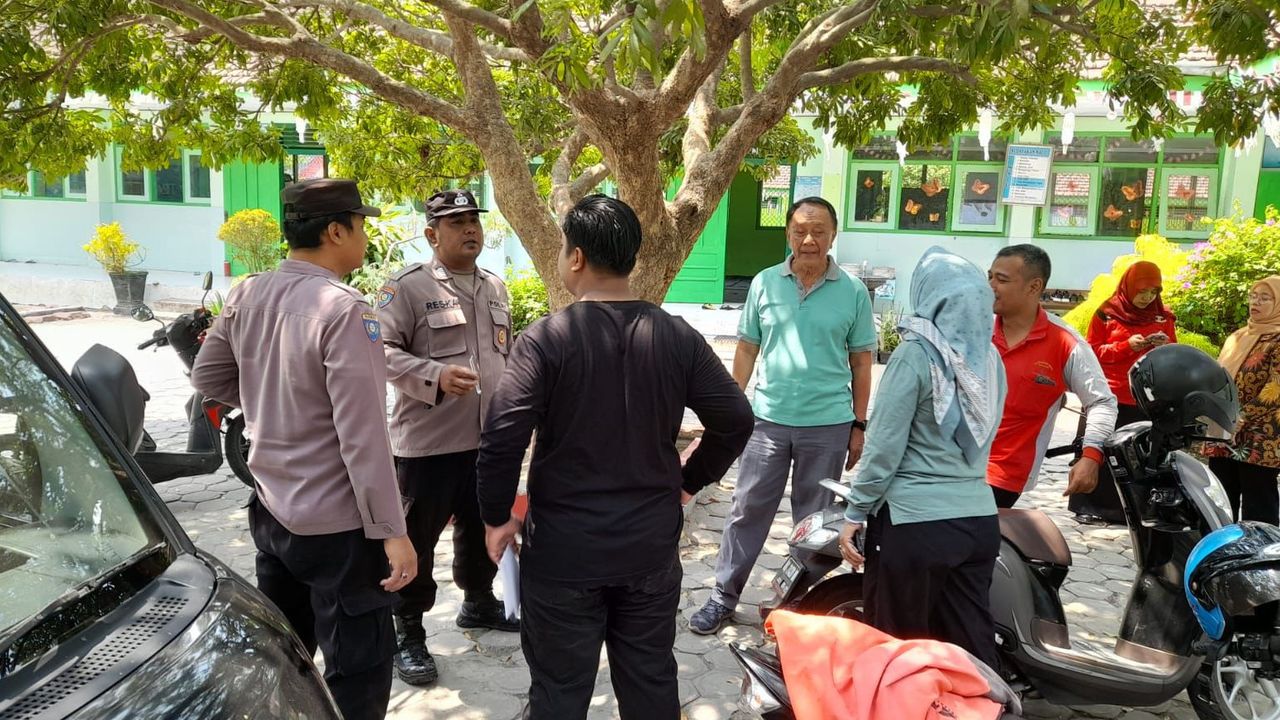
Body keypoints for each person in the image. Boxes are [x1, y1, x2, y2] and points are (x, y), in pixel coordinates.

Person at [476, 195, 754, 720]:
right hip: (647, 548)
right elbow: (737, 420)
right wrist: (687, 483)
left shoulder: (545, 340)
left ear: (575, 257)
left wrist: (495, 518)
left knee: (558, 692)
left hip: (563, 553)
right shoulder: (677, 336)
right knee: (650, 683)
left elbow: (501, 438)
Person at [190, 178, 417, 720]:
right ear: (336, 231)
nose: (364, 236)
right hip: (337, 527)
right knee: (358, 668)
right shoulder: (344, 310)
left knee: (288, 656)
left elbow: (208, 376)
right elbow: (363, 438)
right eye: (360, 226)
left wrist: (274, 402)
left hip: (272, 509)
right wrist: (395, 534)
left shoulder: (247, 292)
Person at [690, 196, 876, 636]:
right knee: (746, 511)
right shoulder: (764, 283)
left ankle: (795, 606)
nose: (808, 240)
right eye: (799, 230)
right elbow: (748, 348)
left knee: (813, 523)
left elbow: (863, 362)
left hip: (828, 425)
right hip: (767, 422)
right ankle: (723, 596)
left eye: (819, 231)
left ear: (834, 235)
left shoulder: (851, 291)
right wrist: (731, 410)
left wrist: (859, 424)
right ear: (788, 233)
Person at [837, 247, 1006, 671]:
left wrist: (855, 512)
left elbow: (883, 447)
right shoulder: (989, 359)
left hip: (915, 527)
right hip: (979, 522)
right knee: (968, 649)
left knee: (899, 652)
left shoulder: (917, 354)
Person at [375, 189, 518, 687]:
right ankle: (407, 633)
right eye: (456, 223)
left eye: (473, 220)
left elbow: (507, 356)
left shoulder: (496, 287)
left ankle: (478, 602)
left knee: (481, 531)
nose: (469, 230)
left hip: (486, 443)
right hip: (426, 446)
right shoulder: (407, 289)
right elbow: (380, 352)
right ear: (432, 234)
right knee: (416, 540)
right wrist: (433, 375)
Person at [986, 244, 1118, 508]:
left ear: (1034, 287)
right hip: (949, 466)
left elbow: (1102, 402)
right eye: (989, 277)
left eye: (1001, 279)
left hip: (1004, 475)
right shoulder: (973, 329)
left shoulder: (1065, 343)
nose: (991, 285)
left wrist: (1091, 456)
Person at [1070, 261, 1177, 524]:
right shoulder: (1106, 313)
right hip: (1109, 395)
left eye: (1153, 293)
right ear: (1129, 287)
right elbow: (1093, 352)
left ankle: (1128, 511)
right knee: (1098, 450)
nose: (1146, 298)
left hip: (1145, 398)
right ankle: (1089, 506)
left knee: (1135, 457)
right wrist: (1125, 346)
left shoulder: (1163, 316)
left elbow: (1174, 354)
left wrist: (1164, 345)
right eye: (1142, 291)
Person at [1203, 276, 1280, 524]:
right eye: (1253, 296)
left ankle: (1260, 556)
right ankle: (1222, 552)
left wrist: (1242, 417)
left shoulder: (1277, 339)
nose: (1256, 302)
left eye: (1265, 298)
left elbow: (1276, 387)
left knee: (1259, 500)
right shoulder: (1237, 336)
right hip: (1225, 428)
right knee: (1221, 498)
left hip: (1261, 434)